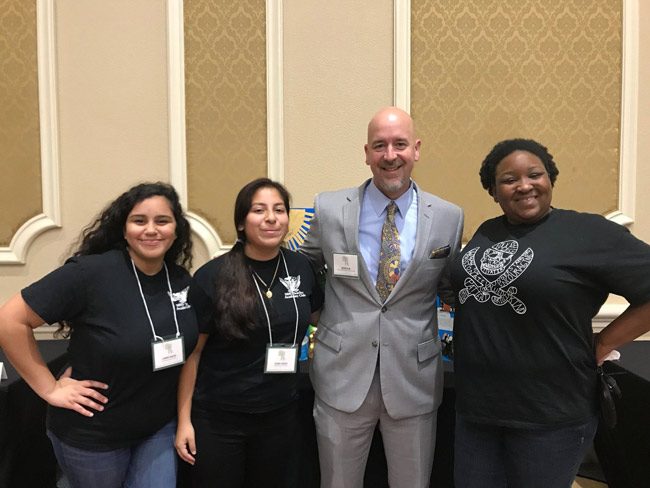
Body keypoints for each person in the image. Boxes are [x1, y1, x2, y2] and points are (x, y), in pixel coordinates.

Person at [450, 138, 650, 488]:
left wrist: (604, 341)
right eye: (509, 179)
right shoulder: (488, 231)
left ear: (550, 179)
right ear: (493, 191)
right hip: (478, 411)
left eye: (535, 174)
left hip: (549, 415)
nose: (524, 185)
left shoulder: (587, 233)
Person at [300, 107, 464, 488]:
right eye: (380, 146)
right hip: (341, 375)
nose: (390, 155)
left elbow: (449, 288)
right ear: (367, 152)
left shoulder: (448, 216)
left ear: (416, 149)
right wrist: (319, 315)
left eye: (400, 144)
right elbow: (306, 268)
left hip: (414, 379)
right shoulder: (328, 208)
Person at [0, 182, 199, 487]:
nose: (151, 230)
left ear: (176, 230)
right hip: (95, 435)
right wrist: (50, 389)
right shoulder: (90, 274)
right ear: (123, 229)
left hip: (156, 428)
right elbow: (9, 320)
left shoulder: (180, 280)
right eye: (139, 221)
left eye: (162, 221)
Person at [175, 178, 323, 487]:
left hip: (280, 416)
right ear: (242, 222)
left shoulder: (301, 267)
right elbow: (193, 354)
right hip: (219, 420)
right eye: (259, 210)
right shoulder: (212, 277)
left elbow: (322, 317)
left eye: (279, 210)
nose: (271, 218)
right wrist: (184, 421)